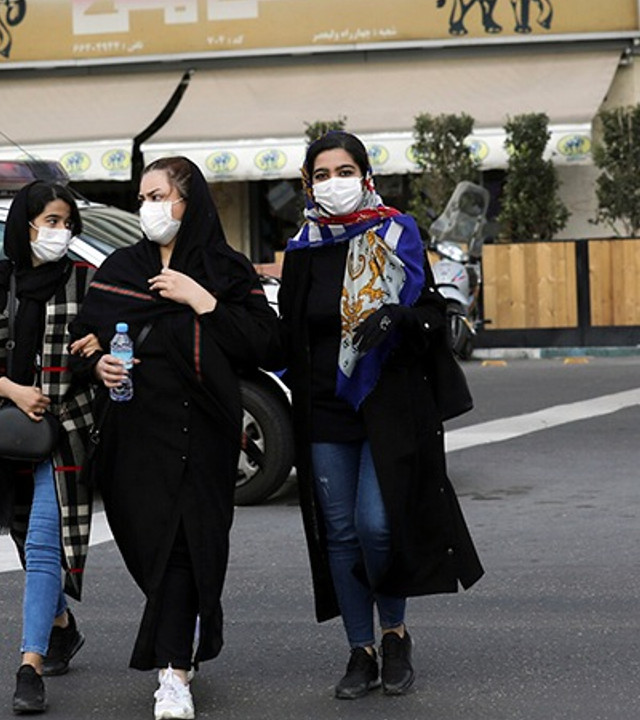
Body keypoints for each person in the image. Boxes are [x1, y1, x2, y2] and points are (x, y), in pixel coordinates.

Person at [276, 131, 484, 700]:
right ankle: (360, 650)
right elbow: (286, 333)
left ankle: (395, 633)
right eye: (321, 174)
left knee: (376, 524)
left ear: (365, 176)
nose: (333, 183)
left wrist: (398, 317)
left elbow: (432, 316)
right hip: (323, 409)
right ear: (307, 183)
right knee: (340, 533)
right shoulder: (303, 247)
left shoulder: (397, 232)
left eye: (344, 171)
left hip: (389, 407)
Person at [72, 156, 279, 720]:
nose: (149, 208)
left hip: (203, 433)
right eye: (142, 198)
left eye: (159, 196)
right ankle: (178, 642)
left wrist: (199, 298)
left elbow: (263, 344)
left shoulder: (225, 269)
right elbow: (86, 336)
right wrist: (99, 370)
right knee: (150, 550)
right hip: (134, 437)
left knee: (188, 548)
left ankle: (173, 674)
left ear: (190, 201)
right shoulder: (120, 268)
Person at [0, 180, 97, 715]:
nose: (59, 232)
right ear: (25, 225)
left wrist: (98, 349)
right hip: (13, 433)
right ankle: (61, 625)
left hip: (69, 431)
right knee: (23, 536)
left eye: (66, 222)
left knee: (43, 542)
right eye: (49, 222)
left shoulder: (88, 283)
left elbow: (105, 345)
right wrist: (14, 390)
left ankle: (29, 665)